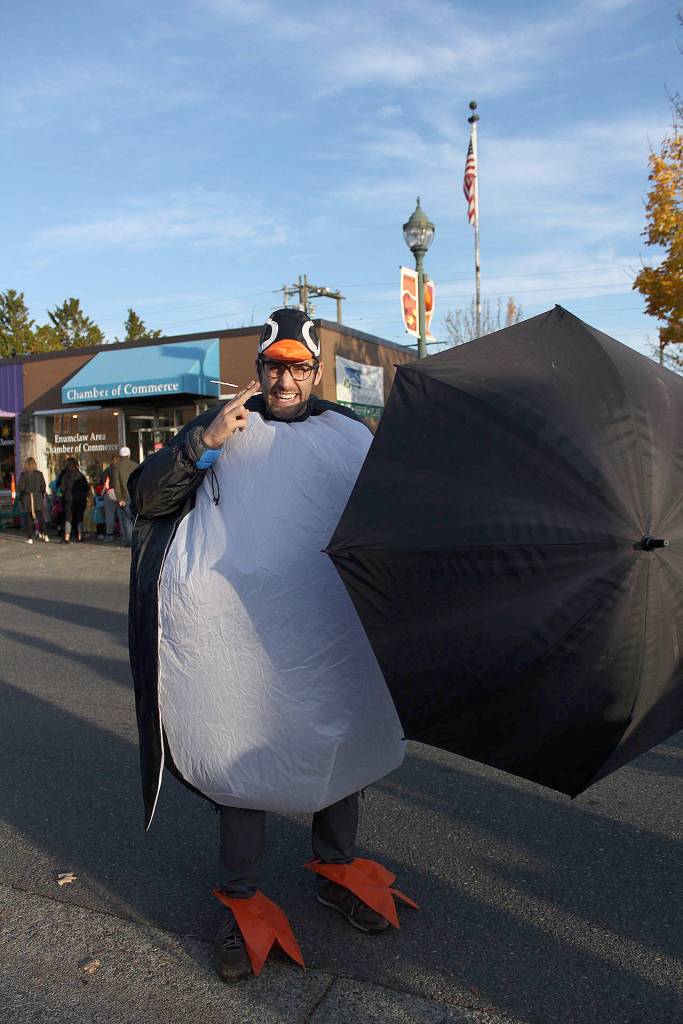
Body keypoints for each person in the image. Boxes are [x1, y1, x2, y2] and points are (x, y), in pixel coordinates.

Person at [127, 309, 409, 983]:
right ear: (258, 367)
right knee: (240, 743)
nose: (285, 379)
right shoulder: (222, 427)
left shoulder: (349, 433)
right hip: (234, 635)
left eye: (297, 367)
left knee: (339, 734)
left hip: (328, 625)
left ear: (317, 370)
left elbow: (390, 513)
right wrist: (200, 444)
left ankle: (337, 866)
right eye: (274, 366)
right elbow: (146, 499)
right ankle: (242, 896)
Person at [56, 457, 90, 543]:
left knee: (68, 518)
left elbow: (62, 488)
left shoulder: (65, 476)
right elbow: (87, 488)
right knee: (79, 517)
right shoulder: (81, 476)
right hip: (81, 498)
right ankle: (80, 536)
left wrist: (64, 495)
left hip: (69, 499)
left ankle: (67, 537)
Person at [109, 446, 138, 547]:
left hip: (124, 497)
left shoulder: (117, 467)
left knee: (126, 519)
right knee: (135, 519)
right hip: (135, 496)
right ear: (129, 455)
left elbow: (116, 485)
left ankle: (129, 541)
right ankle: (137, 540)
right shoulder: (136, 465)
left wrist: (119, 498)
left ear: (120, 456)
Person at [17, 457, 48, 544]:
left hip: (27, 497)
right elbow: (43, 486)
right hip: (37, 497)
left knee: (29, 518)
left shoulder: (23, 475)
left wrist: (21, 496)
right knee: (40, 517)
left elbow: (21, 488)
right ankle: (46, 535)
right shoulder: (39, 474)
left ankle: (30, 538)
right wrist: (41, 494)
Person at [100, 454, 121, 542]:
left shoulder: (107, 470)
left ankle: (110, 534)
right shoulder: (120, 469)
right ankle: (123, 534)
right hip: (120, 493)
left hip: (109, 492)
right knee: (121, 515)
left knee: (109, 514)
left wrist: (102, 493)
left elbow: (105, 483)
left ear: (112, 461)